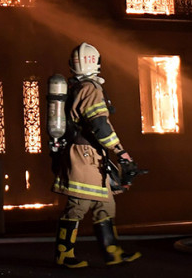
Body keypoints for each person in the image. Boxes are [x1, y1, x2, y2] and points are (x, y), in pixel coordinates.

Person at [52, 42, 141, 268]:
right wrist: (122, 153)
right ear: (96, 62)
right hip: (85, 156)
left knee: (106, 204)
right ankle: (64, 255)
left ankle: (113, 253)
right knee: (79, 204)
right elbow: (100, 126)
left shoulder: (77, 87)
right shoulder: (91, 89)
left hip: (91, 156)